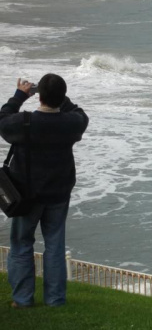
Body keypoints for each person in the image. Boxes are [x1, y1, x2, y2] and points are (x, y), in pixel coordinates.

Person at [0, 75, 88, 308]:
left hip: (25, 194)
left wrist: (19, 95)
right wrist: (59, 98)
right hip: (58, 192)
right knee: (55, 246)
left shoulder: (23, 122)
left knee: (21, 245)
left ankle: (22, 299)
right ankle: (55, 300)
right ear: (61, 97)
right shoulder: (71, 122)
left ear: (39, 96)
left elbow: (2, 119)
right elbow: (81, 114)